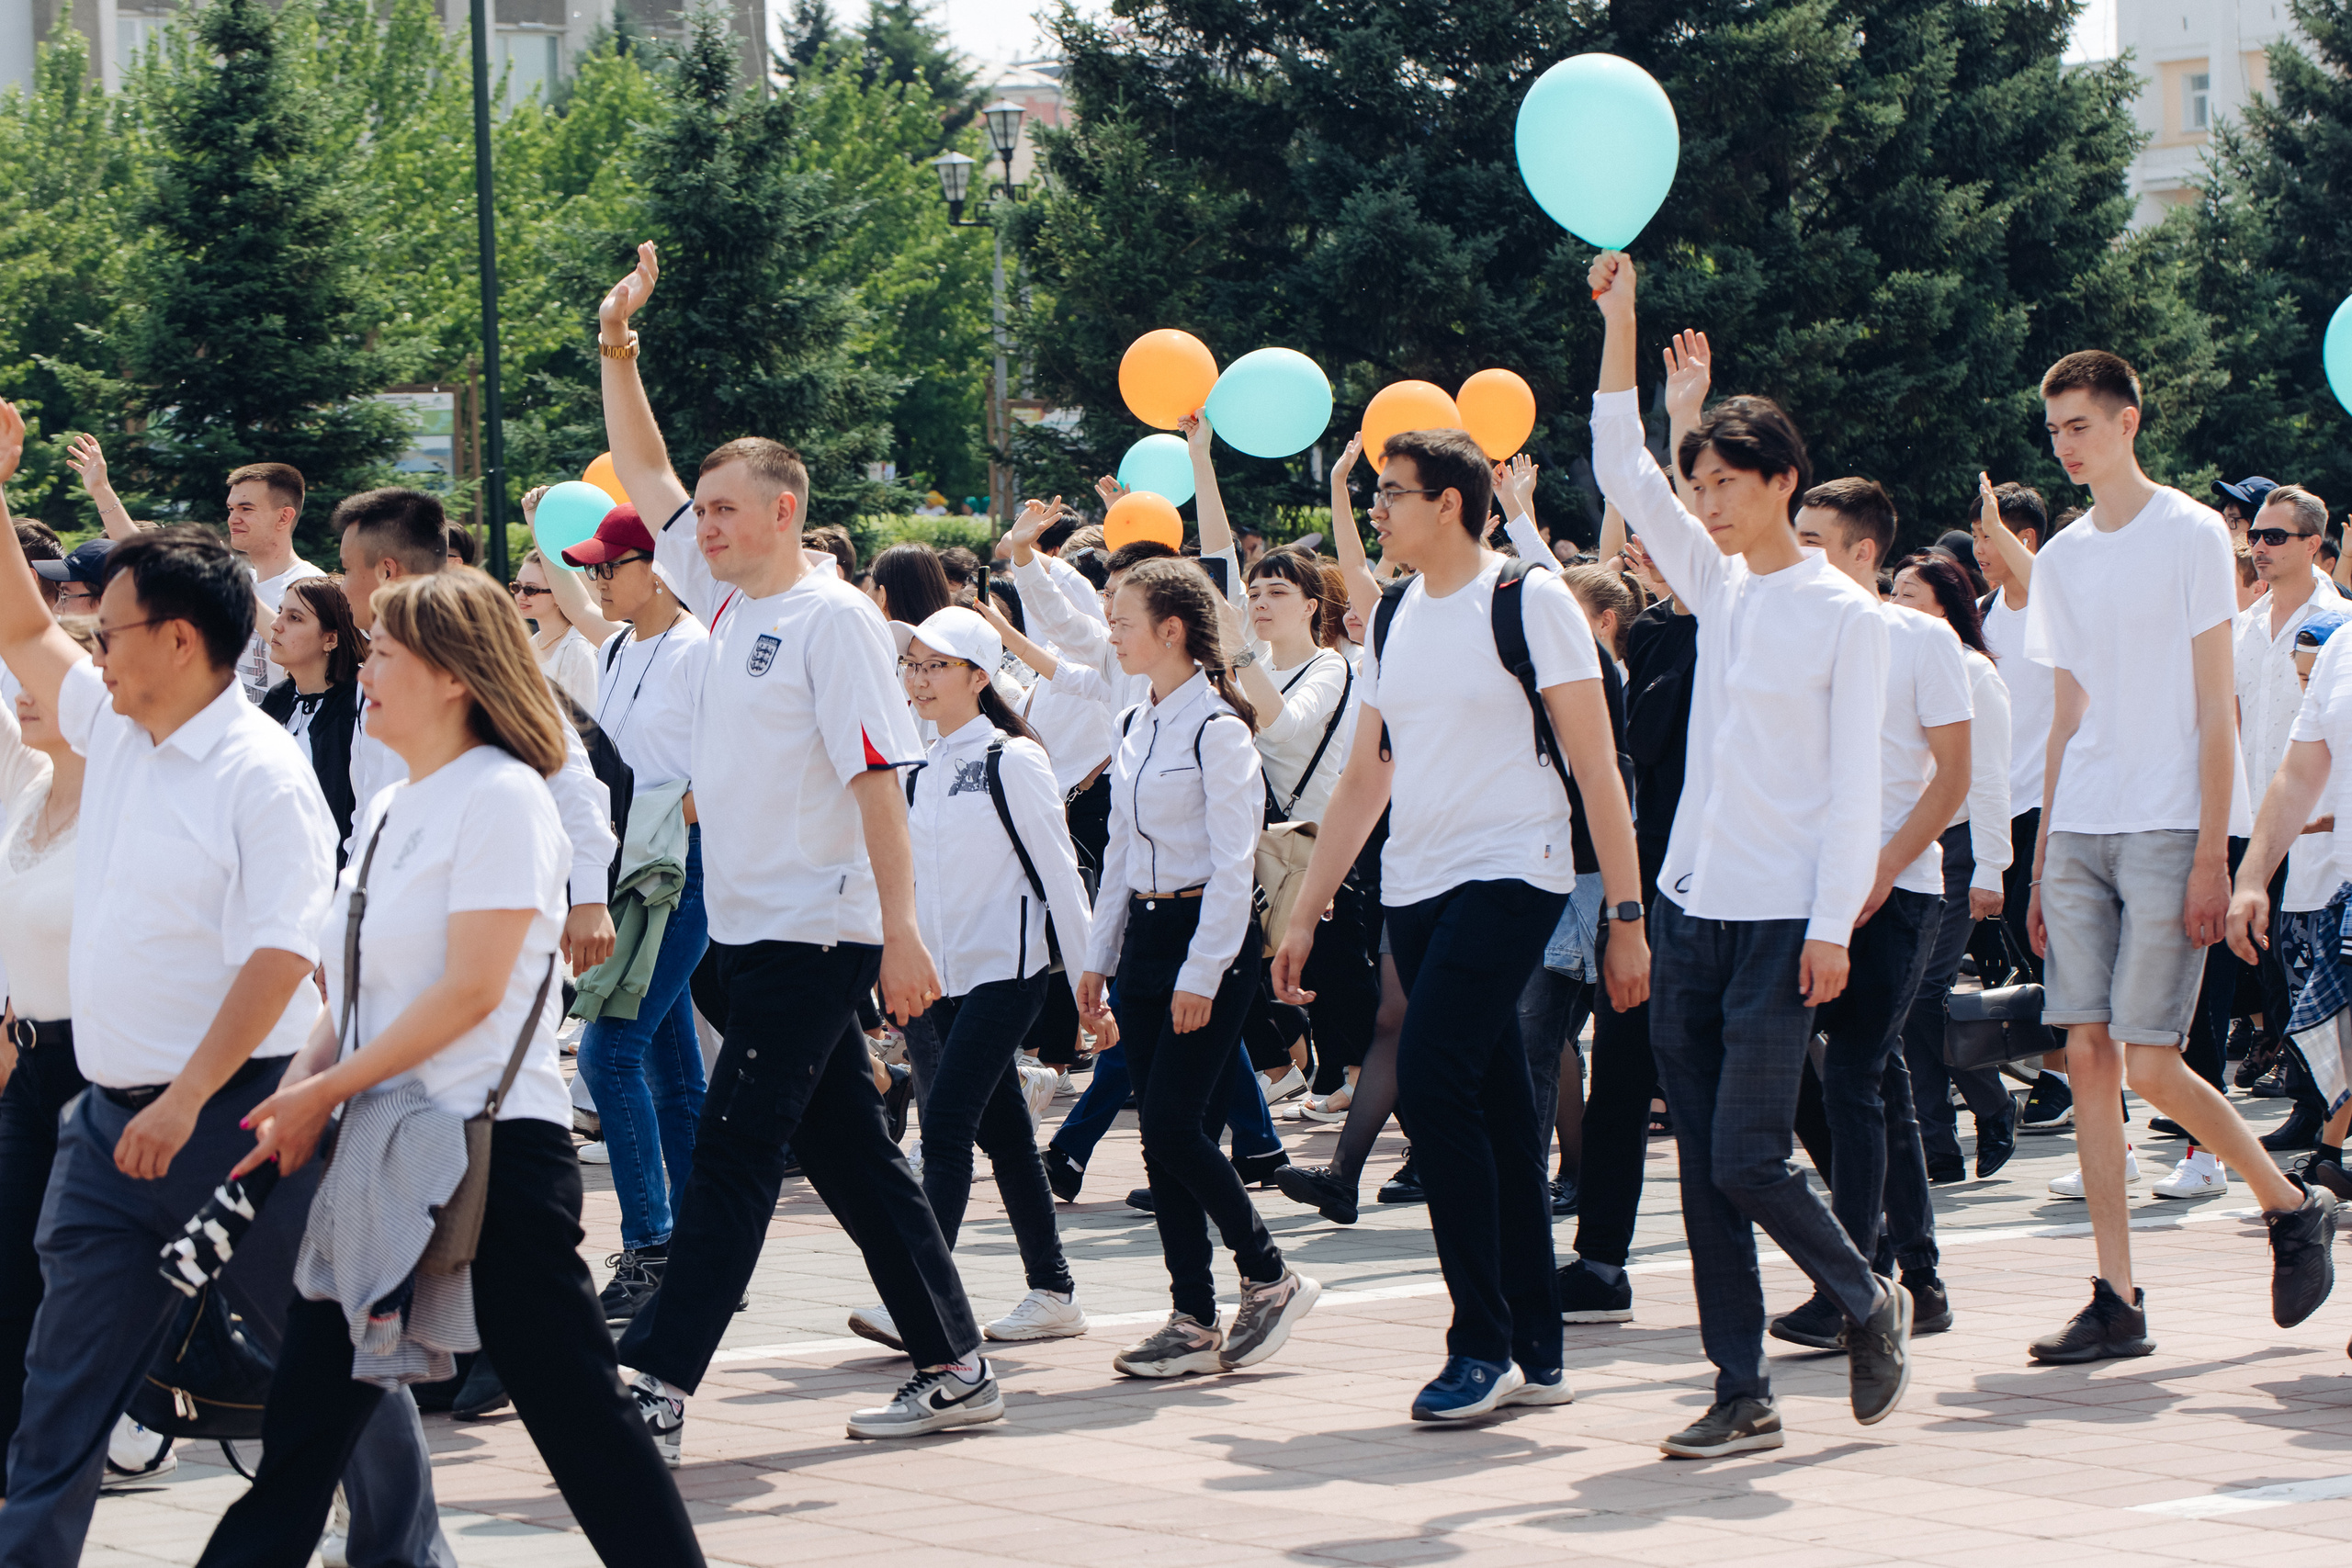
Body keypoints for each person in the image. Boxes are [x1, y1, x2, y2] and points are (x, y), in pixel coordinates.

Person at [0, 400, 450, 1568]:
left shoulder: (258, 774)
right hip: (111, 1128)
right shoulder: (119, 724)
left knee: (331, 1361)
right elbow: (14, 622)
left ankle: (404, 1551)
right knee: (61, 1383)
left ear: (182, 641)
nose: (89, 649)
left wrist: (186, 1099)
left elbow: (283, 953)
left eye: (111, 628)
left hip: (245, 1121)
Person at [194, 569, 705, 1567]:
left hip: (489, 1157)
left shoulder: (505, 798)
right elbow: (354, 993)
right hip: (382, 1150)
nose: (366, 669)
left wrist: (320, 1096)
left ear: (454, 677)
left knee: (579, 1420)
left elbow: (470, 992)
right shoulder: (391, 808)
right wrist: (299, 1097)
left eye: (385, 653)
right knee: (303, 1430)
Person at [596, 241, 1002, 1450]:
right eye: (700, 512)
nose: (700, 524)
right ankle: (956, 1359)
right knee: (855, 1159)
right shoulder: (728, 601)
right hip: (750, 926)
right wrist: (619, 348)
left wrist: (901, 931)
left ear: (786, 511)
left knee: (731, 1154)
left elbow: (879, 778)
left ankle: (658, 1380)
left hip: (817, 935)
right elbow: (645, 464)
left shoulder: (830, 620)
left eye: (725, 510)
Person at [1581, 256, 1910, 1457]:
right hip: (1689, 909)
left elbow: (1858, 790)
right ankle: (1742, 1385)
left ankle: (1866, 1294)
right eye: (1700, 485)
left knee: (1749, 1154)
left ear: (1784, 482)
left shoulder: (1850, 616)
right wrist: (1619, 326)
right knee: (1707, 1175)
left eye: (1727, 483)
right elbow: (1625, 468)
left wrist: (1834, 924)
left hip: (1783, 923)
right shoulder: (1718, 591)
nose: (1705, 503)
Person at [1270, 423, 1643, 1422]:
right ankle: (1538, 1346)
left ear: (1448, 502)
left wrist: (1625, 913)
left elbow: (1597, 765)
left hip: (1514, 873)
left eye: (1391, 492)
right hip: (1415, 886)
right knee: (1496, 1115)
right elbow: (1364, 776)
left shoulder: (1529, 600)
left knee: (1432, 1081)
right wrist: (1305, 912)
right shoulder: (1392, 616)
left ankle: (1479, 1341)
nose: (1376, 509)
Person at [2022, 349, 2332, 1364]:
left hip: (2168, 819)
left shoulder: (2196, 534)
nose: (2065, 444)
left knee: (2151, 1059)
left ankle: (2288, 1205)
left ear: (2127, 422)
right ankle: (2115, 1295)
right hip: (2079, 825)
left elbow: (2217, 706)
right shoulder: (2062, 558)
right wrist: (2038, 862)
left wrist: (2215, 851)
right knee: (2085, 1055)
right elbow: (2066, 713)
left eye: (2079, 424)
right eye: (2055, 428)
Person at [1082, 558, 1322, 1380]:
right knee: (1159, 1136)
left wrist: (1204, 970)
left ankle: (1268, 1272)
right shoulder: (1137, 724)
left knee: (1176, 1127)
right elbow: (1117, 853)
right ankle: (1191, 1316)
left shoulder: (1219, 729)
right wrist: (1095, 957)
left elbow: (1231, 867)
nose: (1112, 632)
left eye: (1123, 620)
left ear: (1171, 629)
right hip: (1146, 938)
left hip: (1204, 940)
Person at [1776, 479, 1972, 1349]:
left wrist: (1881, 870)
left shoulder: (1923, 639)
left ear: (1865, 553)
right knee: (1857, 1077)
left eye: (1816, 540)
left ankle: (1855, 1286)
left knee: (1855, 1075)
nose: (1799, 552)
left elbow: (1954, 779)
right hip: (1807, 890)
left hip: (1897, 892)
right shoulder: (1788, 629)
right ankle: (1913, 1272)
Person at [879, 605, 1102, 1346]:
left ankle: (924, 1300)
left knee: (943, 1126)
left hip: (1009, 975)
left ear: (979, 675)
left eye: (936, 665)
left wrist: (1089, 984)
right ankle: (1055, 1290)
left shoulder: (1014, 758)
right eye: (913, 665)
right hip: (943, 982)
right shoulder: (920, 765)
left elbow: (1061, 879)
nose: (920, 679)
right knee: (1006, 1137)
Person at [558, 504, 713, 1323]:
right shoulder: (618, 644)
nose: (597, 581)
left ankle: (654, 1246)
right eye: (591, 569)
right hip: (633, 874)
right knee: (673, 1073)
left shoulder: (698, 649)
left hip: (676, 876)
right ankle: (701, 1254)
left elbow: (726, 765)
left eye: (608, 566)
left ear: (658, 566)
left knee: (609, 1056)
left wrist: (669, 824)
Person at [2209, 484, 2340, 1164]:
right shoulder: (2245, 625)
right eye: (2255, 536)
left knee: (2312, 969)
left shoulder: (2337, 625)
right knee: (2272, 972)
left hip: (2319, 831)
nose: (2258, 547)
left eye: (2275, 537)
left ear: (2314, 543)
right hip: (2253, 821)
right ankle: (2309, 1102)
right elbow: (2228, 725)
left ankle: (2320, 1111)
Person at [1884, 553, 2017, 1184]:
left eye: (1910, 592)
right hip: (1909, 847)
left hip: (1960, 849)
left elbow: (1989, 776)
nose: (1895, 599)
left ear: (1946, 603)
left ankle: (1990, 1107)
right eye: (1895, 589)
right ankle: (1937, 1147)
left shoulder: (1972, 671)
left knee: (1924, 1000)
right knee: (1909, 1004)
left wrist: (1992, 864)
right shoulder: (1892, 663)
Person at [0, 620, 96, 1470]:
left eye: (43, 683)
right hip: (26, 1060)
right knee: (11, 1263)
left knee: (80, 1272)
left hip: (102, 1063)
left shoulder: (125, 795)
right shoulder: (27, 787)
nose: (22, 691)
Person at [1969, 482, 2070, 1130]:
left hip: (2049, 804)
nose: (1979, 549)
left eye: (1987, 534)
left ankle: (2067, 1080)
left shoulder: (2050, 607)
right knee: (2014, 951)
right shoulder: (1979, 611)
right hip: (1994, 806)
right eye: (1977, 535)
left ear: (2023, 539)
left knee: (2052, 949)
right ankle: (2061, 1070)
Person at [259, 577, 365, 857]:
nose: (276, 624)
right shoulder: (277, 699)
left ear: (330, 639)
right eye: (280, 611)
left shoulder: (359, 705)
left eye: (294, 618)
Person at [514, 550, 598, 710]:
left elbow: (588, 719)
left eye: (531, 589)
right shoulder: (525, 646)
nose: (521, 596)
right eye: (517, 587)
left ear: (558, 593)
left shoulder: (578, 648)